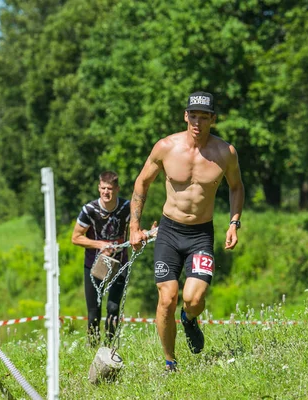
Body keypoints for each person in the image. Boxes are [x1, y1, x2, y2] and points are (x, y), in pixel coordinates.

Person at [129, 91, 245, 372]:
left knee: (193, 299)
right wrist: (134, 227)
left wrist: (234, 222)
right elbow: (142, 183)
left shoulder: (224, 153)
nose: (197, 122)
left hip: (201, 235)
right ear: (185, 116)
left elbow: (236, 187)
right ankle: (170, 362)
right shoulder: (166, 147)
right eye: (193, 115)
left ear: (212, 120)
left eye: (204, 117)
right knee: (167, 298)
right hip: (169, 232)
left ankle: (190, 319)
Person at [71, 171, 131, 347]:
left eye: (110, 189)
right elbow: (76, 237)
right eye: (103, 188)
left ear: (117, 189)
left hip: (120, 264)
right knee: (93, 311)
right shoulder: (89, 210)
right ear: (99, 188)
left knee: (113, 308)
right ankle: (93, 346)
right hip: (94, 266)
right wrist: (100, 245)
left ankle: (110, 347)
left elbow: (135, 229)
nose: (106, 192)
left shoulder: (127, 208)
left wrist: (144, 234)